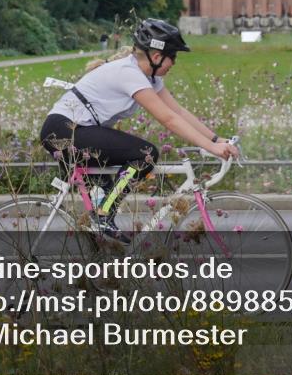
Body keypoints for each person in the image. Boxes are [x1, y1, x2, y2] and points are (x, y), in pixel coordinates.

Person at [39, 18, 240, 242]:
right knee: (145, 154)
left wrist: (216, 138)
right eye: (172, 56)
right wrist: (212, 148)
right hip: (64, 130)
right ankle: (102, 215)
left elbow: (179, 111)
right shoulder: (129, 73)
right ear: (156, 57)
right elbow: (169, 119)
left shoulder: (150, 78)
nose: (173, 62)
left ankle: (102, 233)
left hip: (78, 130)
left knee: (111, 182)